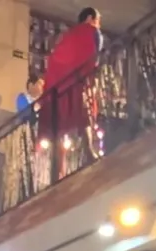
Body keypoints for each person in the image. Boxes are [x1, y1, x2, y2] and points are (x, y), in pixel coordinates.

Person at [39, 7, 102, 147]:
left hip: (60, 85)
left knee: (61, 124)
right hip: (79, 82)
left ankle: (61, 155)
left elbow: (56, 59)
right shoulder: (92, 32)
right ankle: (89, 150)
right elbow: (95, 58)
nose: (99, 24)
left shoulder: (67, 36)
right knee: (84, 115)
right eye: (97, 20)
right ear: (89, 18)